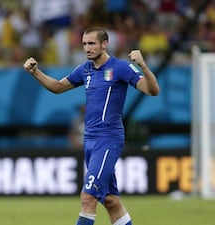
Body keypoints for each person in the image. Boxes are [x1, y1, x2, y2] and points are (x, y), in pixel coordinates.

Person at [23, 27, 160, 225]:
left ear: (105, 44)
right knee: (111, 201)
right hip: (90, 141)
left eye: (92, 43)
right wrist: (36, 72)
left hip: (108, 140)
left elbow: (152, 90)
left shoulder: (120, 68)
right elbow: (57, 87)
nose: (87, 48)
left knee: (88, 197)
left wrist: (143, 66)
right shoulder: (84, 70)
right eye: (85, 44)